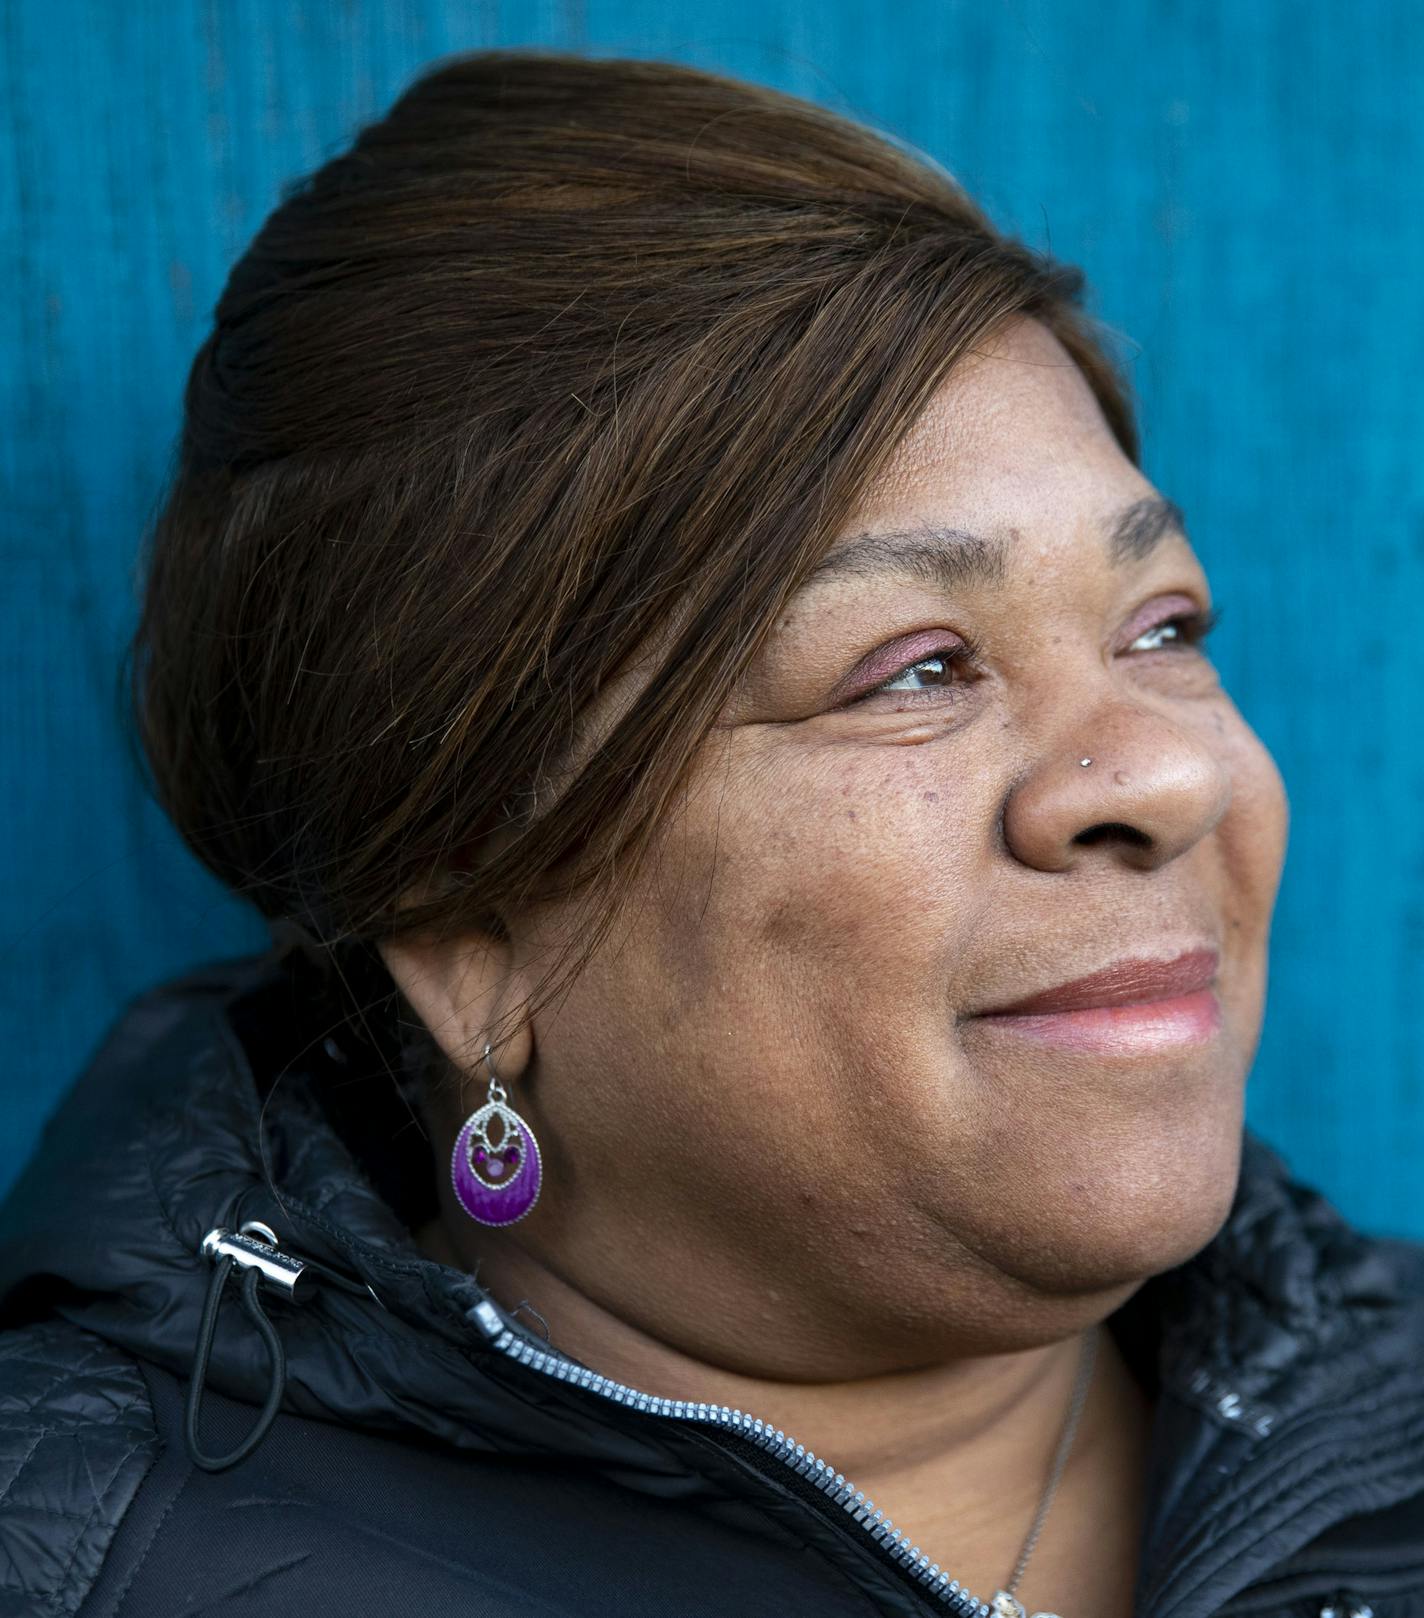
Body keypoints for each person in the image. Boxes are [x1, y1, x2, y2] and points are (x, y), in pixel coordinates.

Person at [1, 48, 1421, 1618]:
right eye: (917, 669)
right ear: (472, 941)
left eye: (1162, 627)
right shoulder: (92, 1565)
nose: (1159, 776)